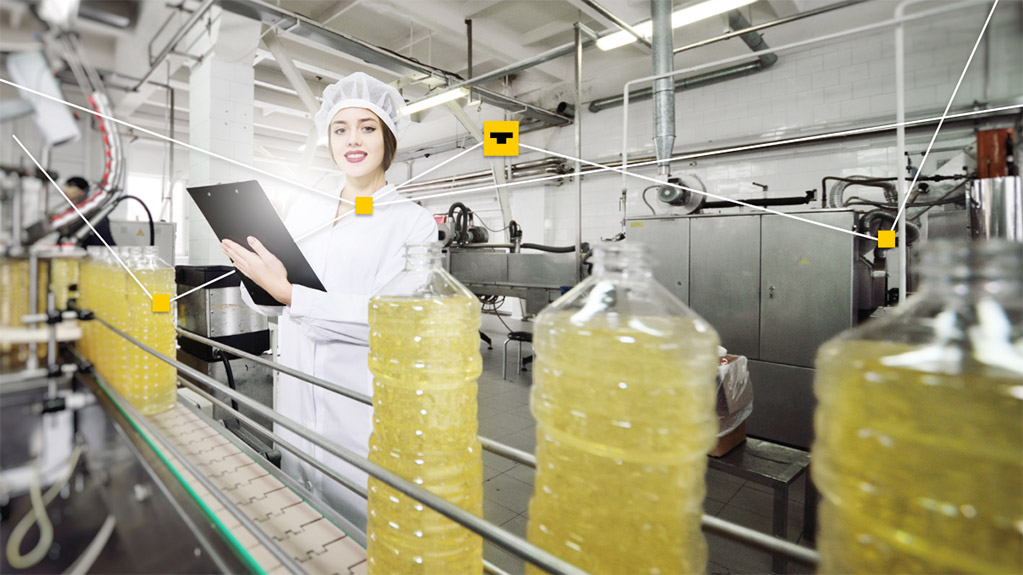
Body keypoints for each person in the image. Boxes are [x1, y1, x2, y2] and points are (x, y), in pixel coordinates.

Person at [222, 72, 438, 530]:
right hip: (296, 398)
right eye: (340, 129)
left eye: (367, 127)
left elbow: (388, 319)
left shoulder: (412, 223)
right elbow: (276, 308)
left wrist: (289, 293)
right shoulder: (307, 211)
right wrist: (256, 277)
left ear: (388, 137)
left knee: (360, 526)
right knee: (300, 524)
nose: (352, 139)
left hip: (360, 404)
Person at [62, 176, 115, 246]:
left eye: (70, 186)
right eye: (65, 186)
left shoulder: (93, 212)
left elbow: (102, 242)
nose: (64, 190)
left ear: (83, 191)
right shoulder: (70, 212)